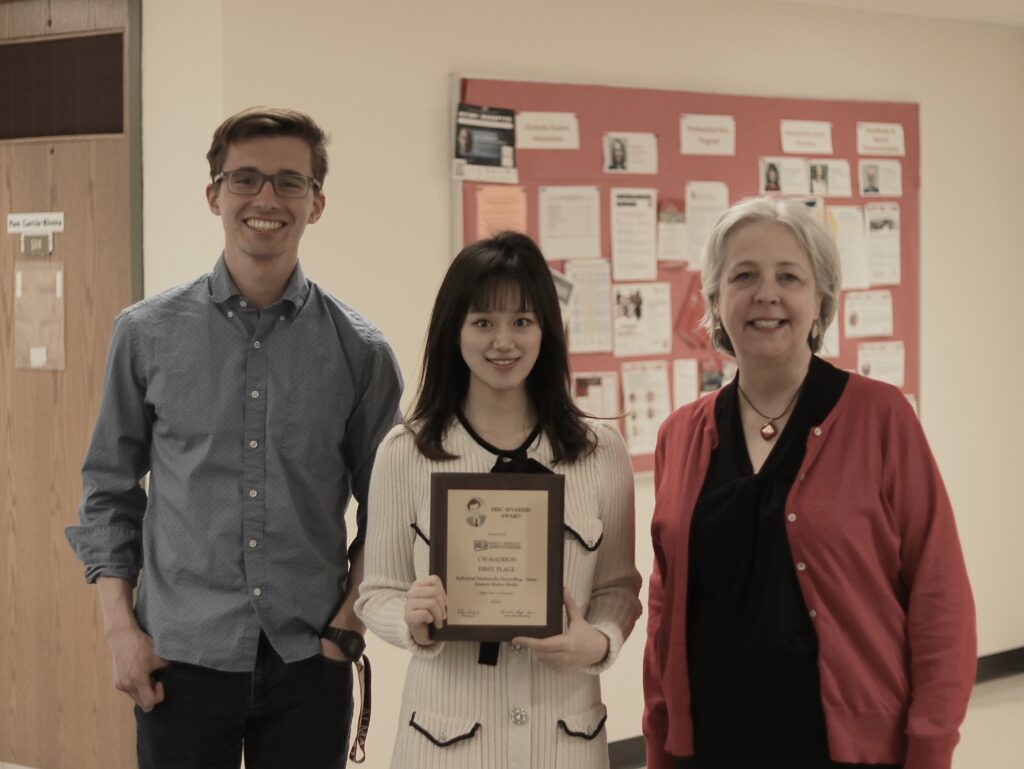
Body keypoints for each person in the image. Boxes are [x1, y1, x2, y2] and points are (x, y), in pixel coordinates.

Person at [66, 107, 403, 769]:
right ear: (214, 194)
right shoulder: (145, 334)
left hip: (311, 659)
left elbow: (389, 510)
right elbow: (107, 491)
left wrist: (348, 626)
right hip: (179, 657)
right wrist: (119, 630)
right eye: (245, 179)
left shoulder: (361, 352)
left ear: (317, 202)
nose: (266, 199)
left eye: (289, 181)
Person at [642, 197, 975, 769]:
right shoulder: (681, 434)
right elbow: (666, 610)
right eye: (744, 275)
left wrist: (930, 746)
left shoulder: (881, 417)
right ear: (716, 300)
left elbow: (939, 596)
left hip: (846, 747)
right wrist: (660, 744)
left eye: (789, 276)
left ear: (820, 300)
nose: (766, 293)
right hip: (715, 743)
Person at [356, 231, 642, 768]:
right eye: (483, 322)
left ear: (546, 332)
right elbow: (376, 594)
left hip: (566, 742)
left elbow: (618, 587)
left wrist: (597, 643)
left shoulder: (600, 451)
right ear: (454, 332)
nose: (503, 342)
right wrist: (411, 618)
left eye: (522, 322)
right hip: (445, 744)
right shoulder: (407, 451)